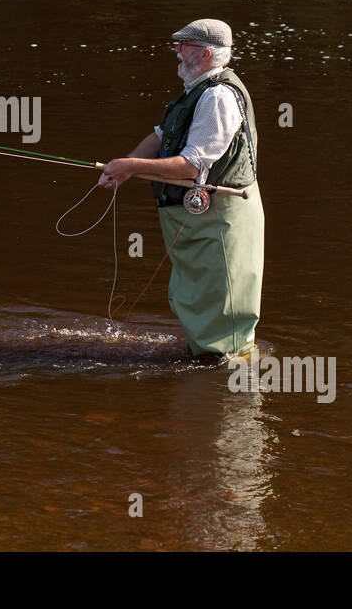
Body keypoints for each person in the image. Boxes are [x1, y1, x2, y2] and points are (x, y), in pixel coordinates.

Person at [98, 18, 264, 362]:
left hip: (222, 218)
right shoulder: (199, 89)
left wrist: (130, 168)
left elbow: (192, 164)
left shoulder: (218, 96)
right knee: (199, 296)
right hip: (203, 218)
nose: (176, 51)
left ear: (205, 53)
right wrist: (126, 164)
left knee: (222, 300)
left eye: (184, 45)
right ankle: (208, 366)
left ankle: (228, 369)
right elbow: (162, 135)